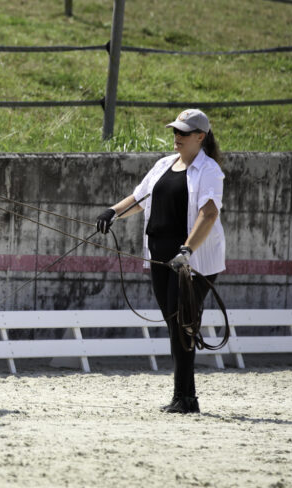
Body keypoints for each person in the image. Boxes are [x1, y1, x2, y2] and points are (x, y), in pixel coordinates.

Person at [95, 109, 225, 414]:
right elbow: (139, 199)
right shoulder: (164, 165)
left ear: (200, 137)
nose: (176, 137)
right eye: (175, 132)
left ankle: (186, 397)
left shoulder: (209, 171)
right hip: (159, 258)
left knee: (183, 326)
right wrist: (112, 212)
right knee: (174, 324)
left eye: (183, 133)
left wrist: (187, 250)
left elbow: (209, 214)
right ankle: (183, 395)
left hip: (190, 261)